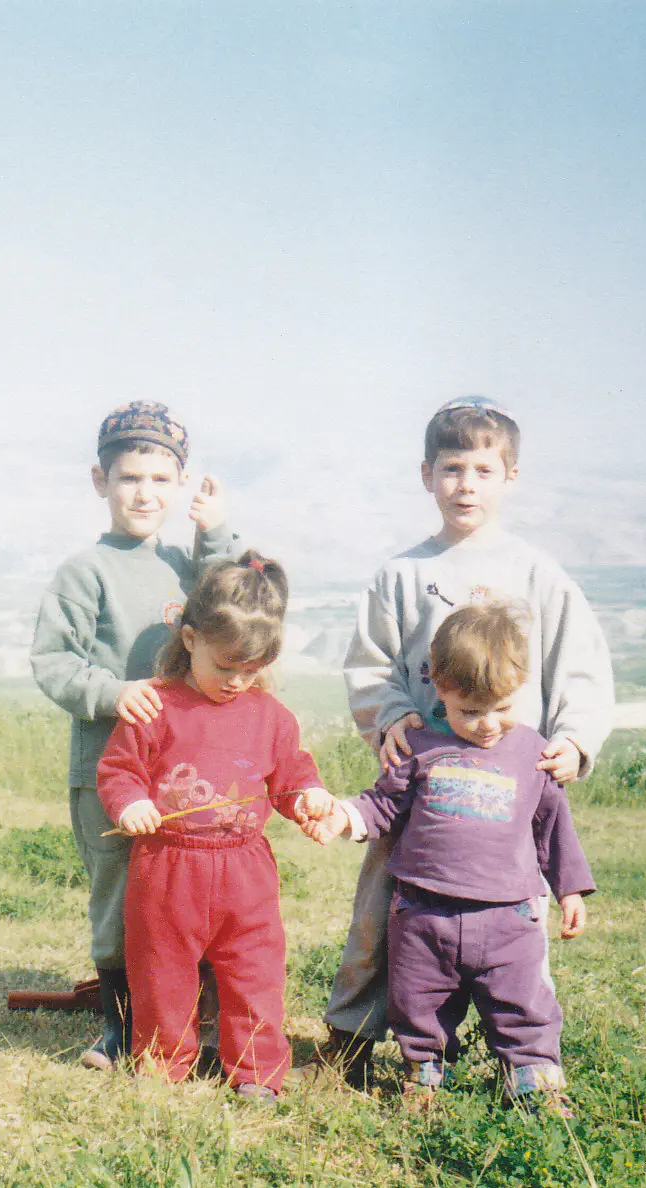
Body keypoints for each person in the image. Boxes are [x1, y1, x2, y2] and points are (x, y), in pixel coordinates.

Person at [316, 395, 613, 1088]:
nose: (466, 485)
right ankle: (352, 1039)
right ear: (427, 475)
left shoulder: (538, 575)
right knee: (381, 915)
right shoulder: (400, 575)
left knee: (515, 923)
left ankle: (526, 1058)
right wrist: (391, 714)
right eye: (452, 468)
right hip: (417, 781)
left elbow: (580, 666)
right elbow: (370, 664)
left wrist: (574, 739)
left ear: (511, 476)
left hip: (504, 789)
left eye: (483, 470)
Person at [311, 602, 595, 1115]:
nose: (487, 725)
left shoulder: (534, 754)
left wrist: (570, 890)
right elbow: (382, 805)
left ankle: (534, 1080)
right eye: (469, 711)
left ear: (521, 687)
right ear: (439, 688)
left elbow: (554, 827)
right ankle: (423, 1072)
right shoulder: (417, 746)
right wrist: (343, 817)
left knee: (522, 998)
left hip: (508, 916)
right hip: (424, 911)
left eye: (501, 708)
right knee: (419, 998)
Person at [30, 401, 240, 1072]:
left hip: (185, 772)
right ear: (101, 481)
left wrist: (216, 532)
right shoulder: (85, 572)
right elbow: (53, 662)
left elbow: (234, 599)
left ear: (180, 486)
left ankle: (193, 1022)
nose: (144, 494)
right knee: (120, 896)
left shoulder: (186, 566)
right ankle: (121, 1026)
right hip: (107, 768)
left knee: (189, 892)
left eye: (159, 480)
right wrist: (113, 692)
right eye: (128, 478)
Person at [99, 552, 336, 1102]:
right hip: (166, 866)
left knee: (255, 971)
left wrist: (310, 797)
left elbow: (291, 775)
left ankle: (256, 1071)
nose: (237, 682)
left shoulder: (271, 716)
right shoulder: (154, 706)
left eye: (251, 670)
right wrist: (129, 802)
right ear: (190, 639)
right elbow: (118, 770)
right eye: (226, 666)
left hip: (245, 871)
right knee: (162, 972)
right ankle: (161, 1066)